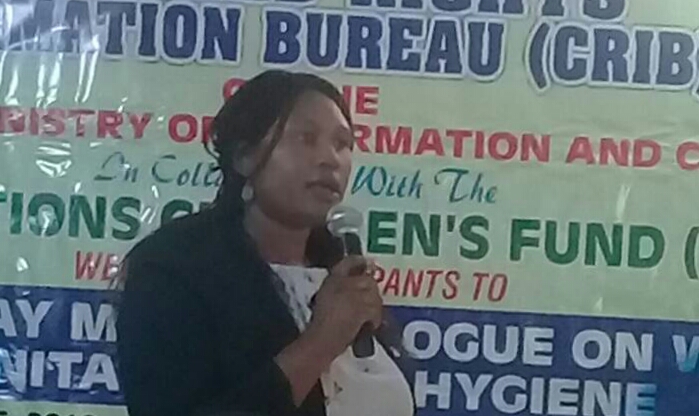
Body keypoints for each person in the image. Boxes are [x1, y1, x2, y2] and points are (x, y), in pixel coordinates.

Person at [115, 70, 415, 416]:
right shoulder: (174, 271)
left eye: (342, 143)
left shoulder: (337, 273)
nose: (330, 159)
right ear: (244, 157)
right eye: (306, 138)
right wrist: (320, 342)